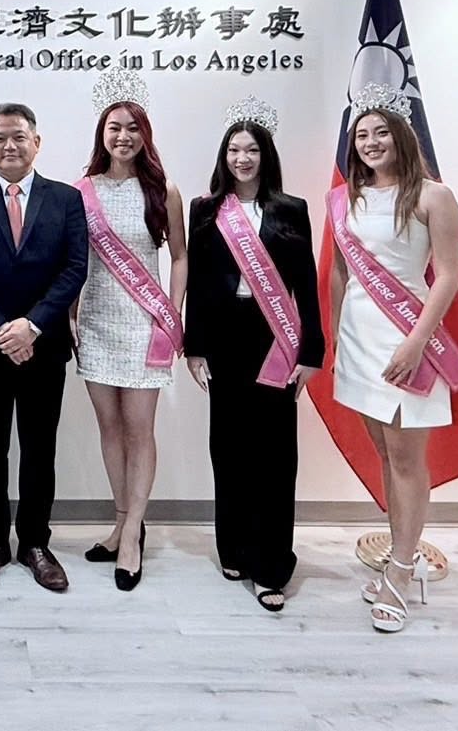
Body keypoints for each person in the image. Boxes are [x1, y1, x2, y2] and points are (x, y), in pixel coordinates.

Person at [329, 83, 458, 633]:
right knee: (385, 457)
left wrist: (416, 340)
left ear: (401, 136)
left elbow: (449, 275)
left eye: (380, 132)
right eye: (362, 135)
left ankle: (405, 571)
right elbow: (340, 271)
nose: (370, 142)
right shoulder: (348, 198)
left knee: (408, 460)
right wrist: (337, 336)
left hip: (409, 340)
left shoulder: (434, 196)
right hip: (359, 341)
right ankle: (397, 555)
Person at [183, 97, 323, 612]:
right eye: (234, 150)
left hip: (275, 340)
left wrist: (311, 350)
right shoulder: (205, 209)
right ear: (224, 157)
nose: (242, 159)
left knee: (275, 456)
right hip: (224, 339)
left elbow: (306, 283)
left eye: (252, 150)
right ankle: (235, 548)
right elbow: (198, 283)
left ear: (266, 156)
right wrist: (194, 346)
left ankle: (271, 566)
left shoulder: (292, 209)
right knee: (229, 449)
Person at [0, 102, 89, 592]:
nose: (10, 146)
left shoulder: (66, 200)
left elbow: (74, 268)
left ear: (37, 143)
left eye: (19, 137)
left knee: (39, 448)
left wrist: (32, 325)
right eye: (0, 138)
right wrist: (1, 330)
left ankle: (35, 543)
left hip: (43, 347)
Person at [71, 73, 186, 591]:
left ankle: (134, 533)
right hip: (96, 323)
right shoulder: (82, 191)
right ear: (102, 134)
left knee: (141, 429)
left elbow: (179, 257)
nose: (123, 136)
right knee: (110, 428)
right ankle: (121, 521)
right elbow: (75, 262)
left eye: (133, 128)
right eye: (114, 128)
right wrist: (71, 316)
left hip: (145, 323)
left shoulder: (163, 190)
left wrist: (172, 314)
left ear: (146, 135)